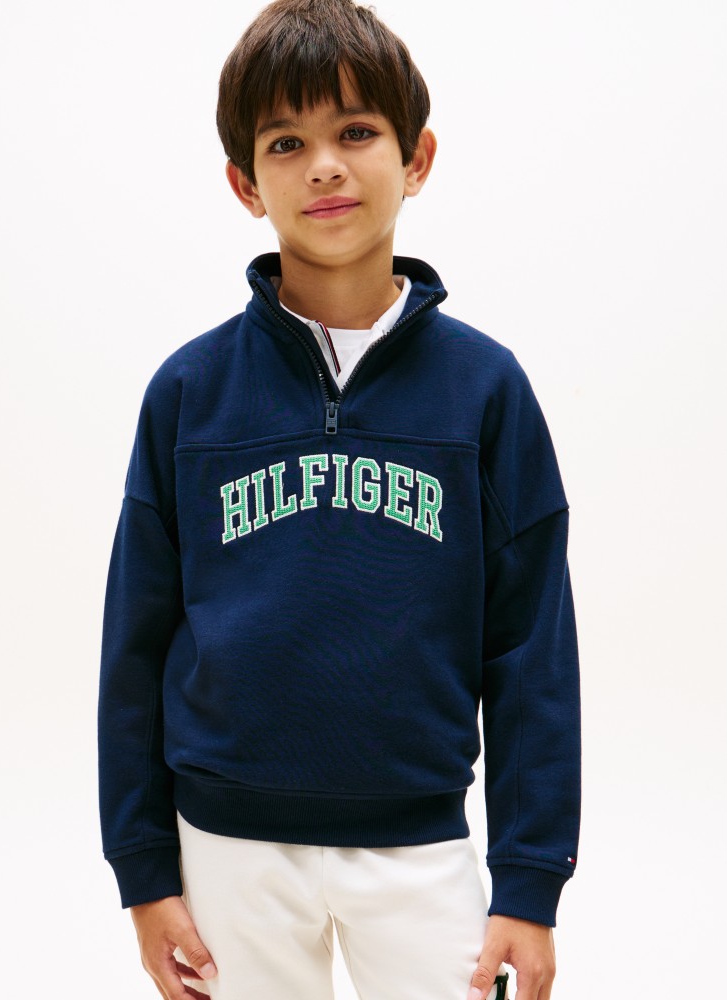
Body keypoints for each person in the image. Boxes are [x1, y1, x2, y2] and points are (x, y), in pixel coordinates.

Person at [97, 1, 581, 998]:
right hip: (227, 849)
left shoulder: (485, 391)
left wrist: (530, 883)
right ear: (245, 182)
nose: (324, 166)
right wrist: (143, 872)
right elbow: (134, 646)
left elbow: (532, 648)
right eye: (286, 142)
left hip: (419, 849)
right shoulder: (189, 394)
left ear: (417, 158)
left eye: (356, 131)